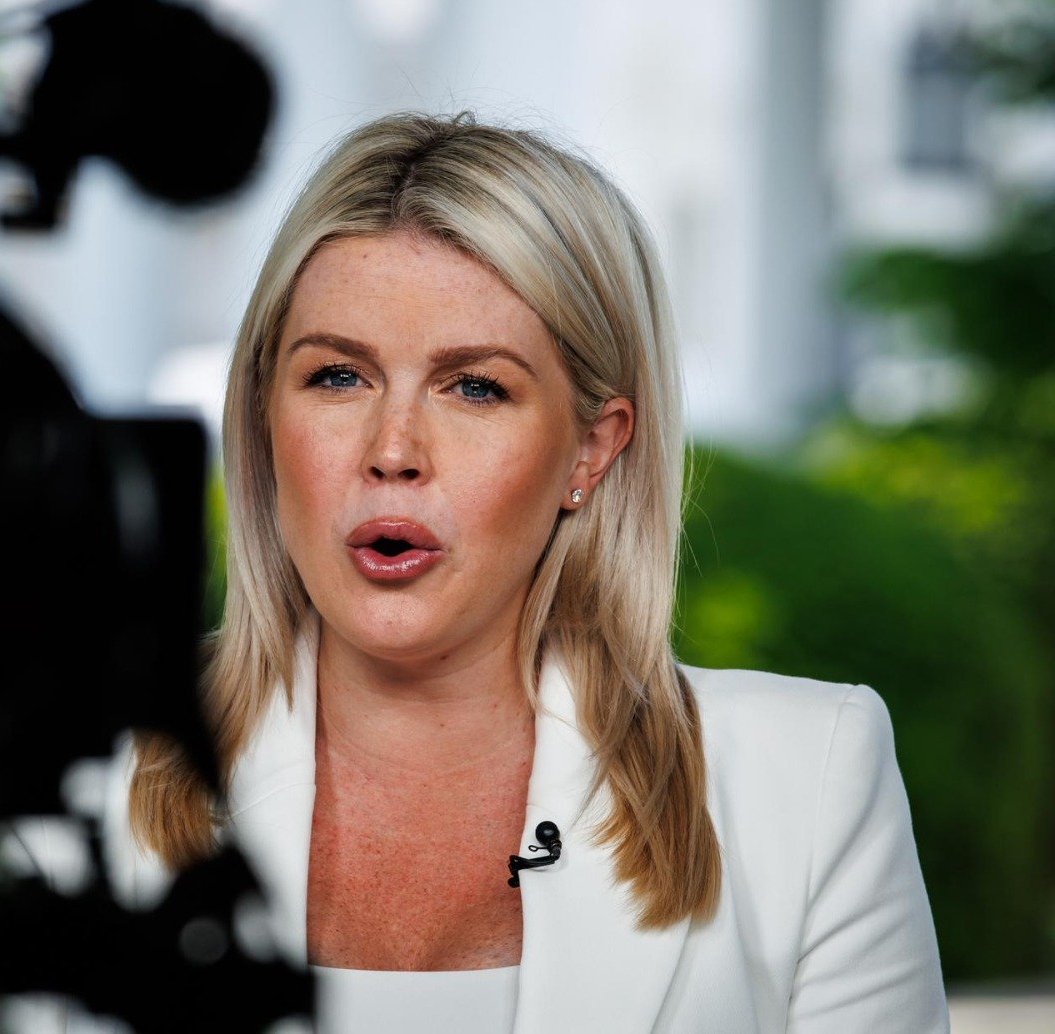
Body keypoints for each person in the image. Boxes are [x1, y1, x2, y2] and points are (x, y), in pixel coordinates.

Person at [93, 111, 948, 1032]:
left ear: (593, 448)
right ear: (263, 415)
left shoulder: (809, 783)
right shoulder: (86, 776)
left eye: (476, 387)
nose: (393, 450)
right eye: (338, 376)